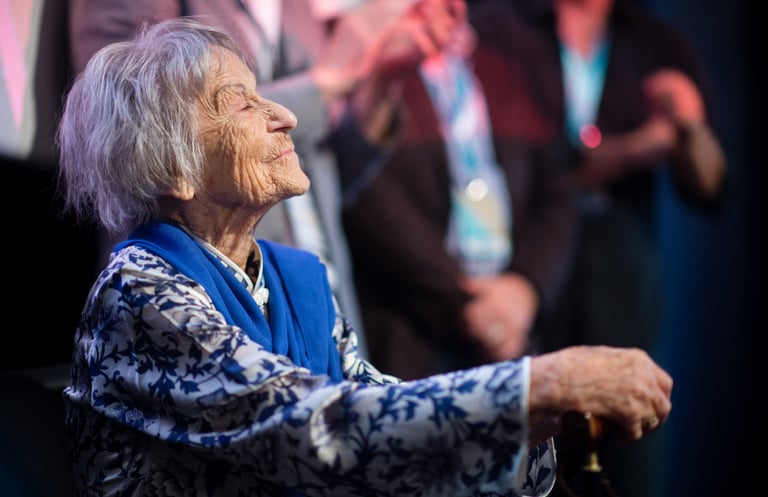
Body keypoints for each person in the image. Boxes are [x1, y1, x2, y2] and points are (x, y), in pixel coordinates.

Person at [56, 18, 673, 496]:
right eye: (241, 102)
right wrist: (538, 385)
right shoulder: (140, 293)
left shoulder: (296, 279)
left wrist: (537, 420)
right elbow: (316, 432)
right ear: (173, 167)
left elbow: (385, 418)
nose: (286, 115)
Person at [468, 0, 727, 495]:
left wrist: (689, 124)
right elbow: (543, 169)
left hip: (623, 291)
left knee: (629, 466)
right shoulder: (501, 27)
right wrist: (639, 146)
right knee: (525, 467)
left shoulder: (656, 43)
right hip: (530, 281)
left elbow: (711, 188)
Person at [67, 0, 417, 345]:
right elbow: (128, 133)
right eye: (245, 103)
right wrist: (330, 79)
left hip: (315, 288)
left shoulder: (302, 275)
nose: (288, 118)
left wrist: (377, 82)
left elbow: (322, 170)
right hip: (208, 277)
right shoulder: (150, 293)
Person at [338, 0, 576, 380]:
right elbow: (365, 195)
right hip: (414, 329)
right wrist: (467, 303)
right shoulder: (366, 65)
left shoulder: (502, 63)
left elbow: (556, 191)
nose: (450, 8)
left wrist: (525, 287)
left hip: (508, 324)